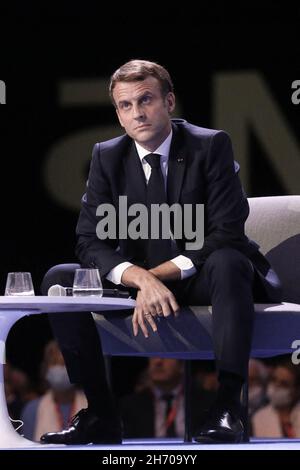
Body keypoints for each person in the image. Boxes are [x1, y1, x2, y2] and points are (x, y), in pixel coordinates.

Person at [40, 59, 282, 445]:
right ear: (119, 115)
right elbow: (89, 240)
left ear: (169, 102)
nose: (137, 113)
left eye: (146, 100)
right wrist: (139, 278)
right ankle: (101, 413)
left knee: (229, 259)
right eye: (126, 106)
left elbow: (225, 232)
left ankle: (227, 407)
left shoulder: (210, 145)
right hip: (141, 279)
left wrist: (156, 277)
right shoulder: (107, 155)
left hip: (201, 276)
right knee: (60, 278)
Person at [121, 357, 215, 438]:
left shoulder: (206, 402)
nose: (158, 361)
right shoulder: (130, 405)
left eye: (165, 356)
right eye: (153, 356)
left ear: (182, 365)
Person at [21, 340, 87, 441]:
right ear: (46, 368)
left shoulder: (93, 407)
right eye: (54, 363)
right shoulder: (32, 410)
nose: (60, 368)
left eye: (65, 363)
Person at [252, 360, 300, 438]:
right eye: (274, 380)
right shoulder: (259, 418)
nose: (276, 386)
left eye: (284, 384)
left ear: (296, 390)